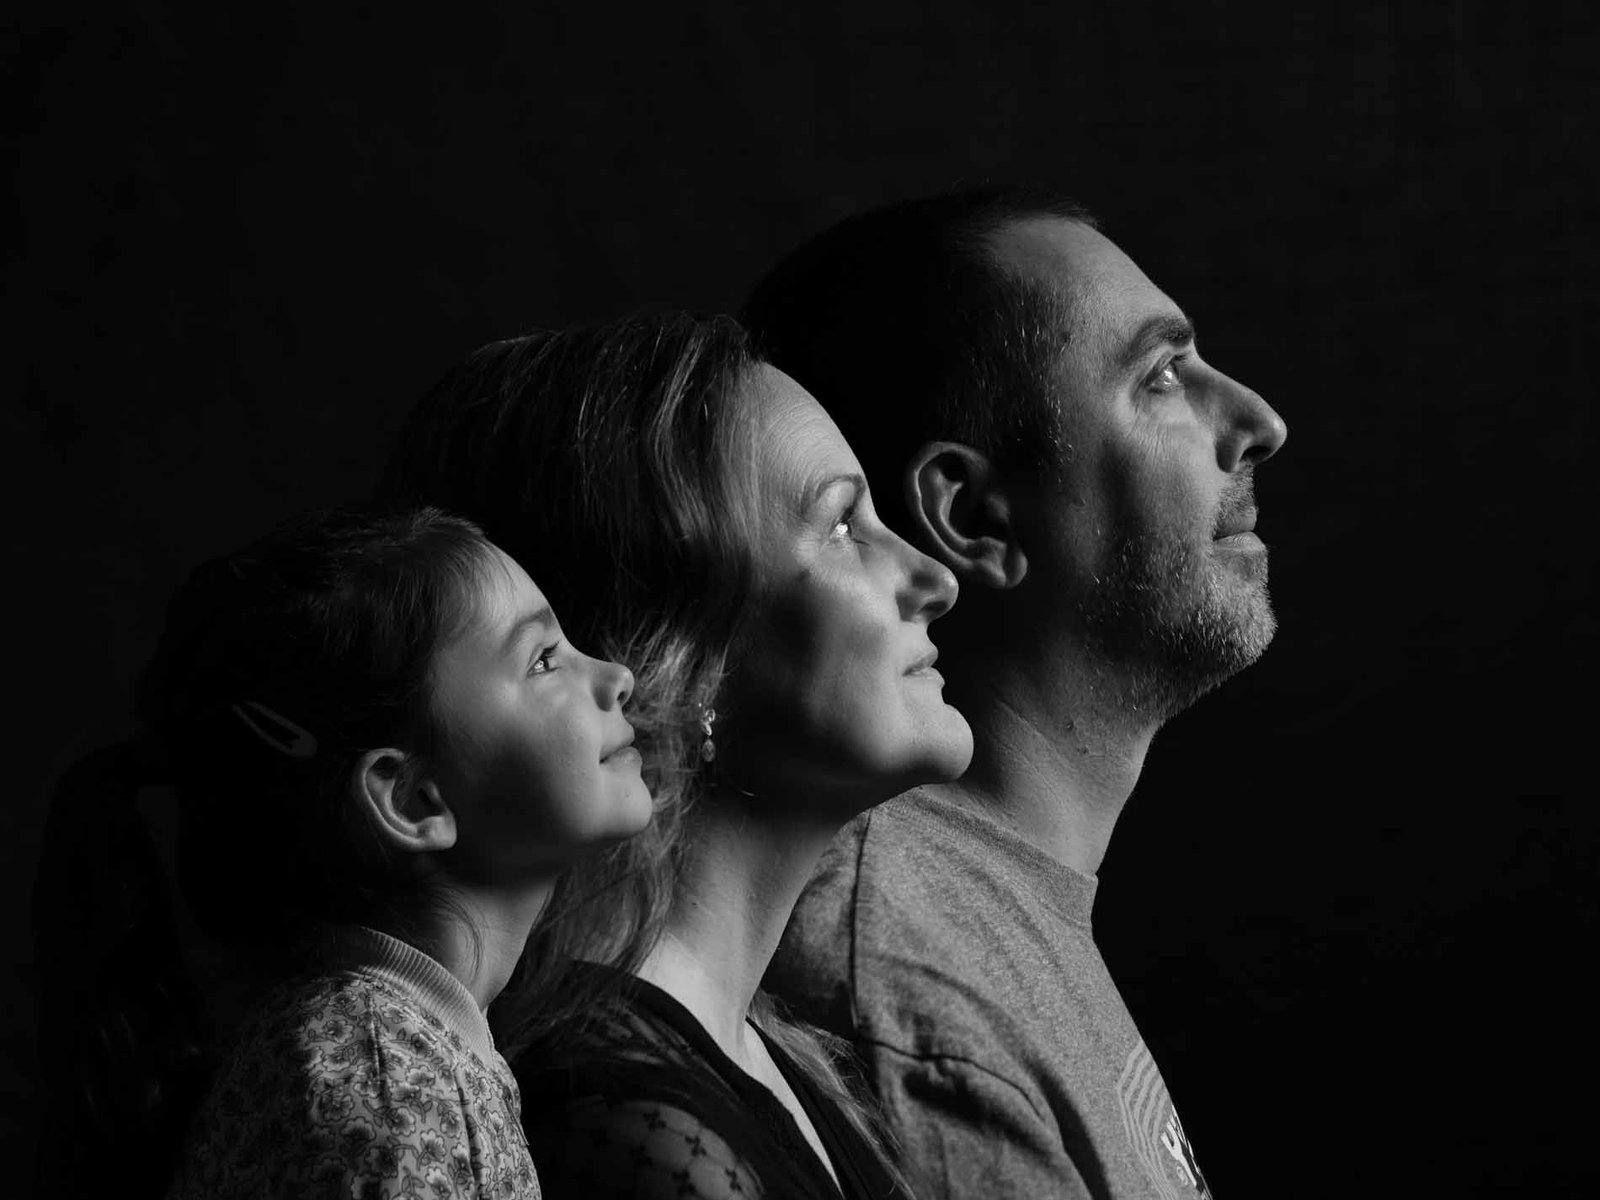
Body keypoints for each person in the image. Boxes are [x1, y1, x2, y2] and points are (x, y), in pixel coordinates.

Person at [741, 187, 1290, 1200]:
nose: (1260, 423)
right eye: (1162, 376)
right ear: (973, 516)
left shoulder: (987, 916)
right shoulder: (916, 1001)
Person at [380, 312, 974, 1200]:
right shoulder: (621, 1122)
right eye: (844, 526)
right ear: (676, 650)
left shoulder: (758, 1056)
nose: (935, 579)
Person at [37, 506, 653, 1199]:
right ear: (415, 799)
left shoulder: (393, 1045)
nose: (617, 674)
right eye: (544, 659)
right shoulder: (382, 1077)